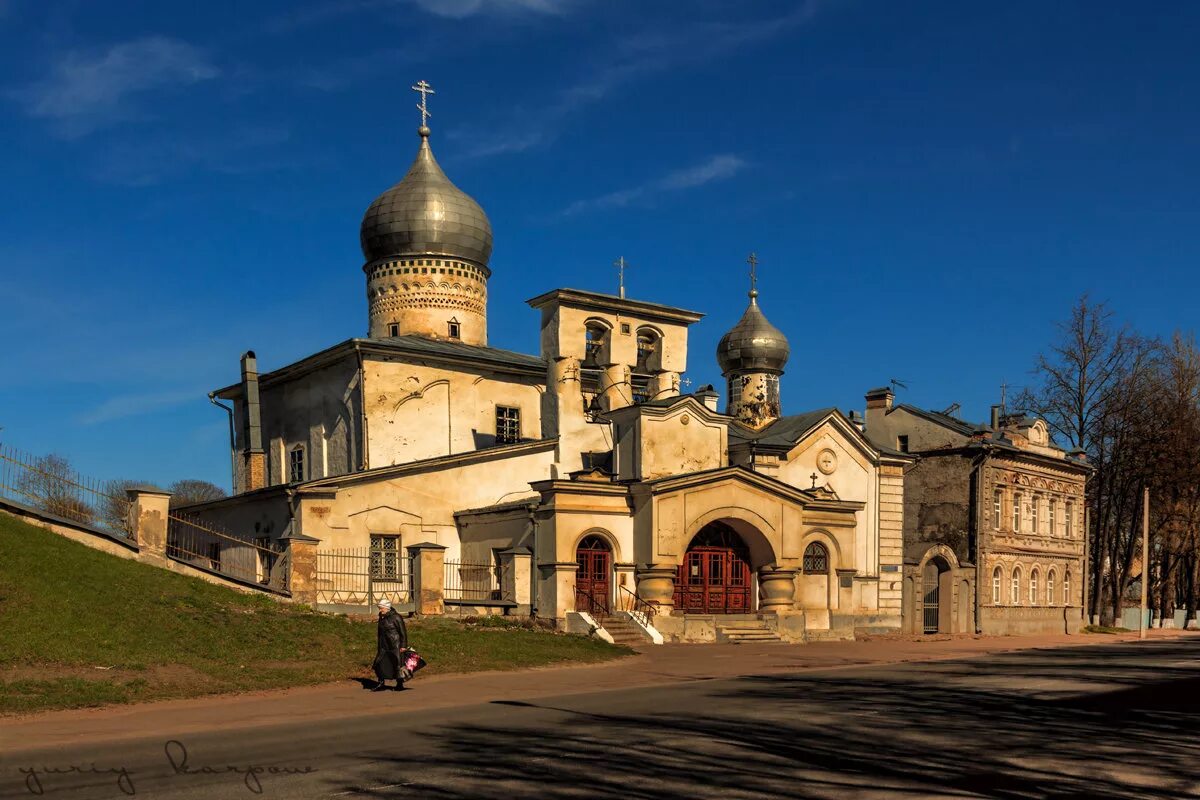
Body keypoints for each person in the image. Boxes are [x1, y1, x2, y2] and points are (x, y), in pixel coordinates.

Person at [372, 598, 408, 692]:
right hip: (383, 645)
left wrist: (403, 645)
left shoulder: (396, 617)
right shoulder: (382, 616)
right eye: (379, 608)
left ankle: (399, 684)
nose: (380, 610)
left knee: (397, 664)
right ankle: (381, 683)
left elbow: (403, 633)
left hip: (395, 644)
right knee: (379, 663)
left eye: (381, 608)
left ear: (387, 608)